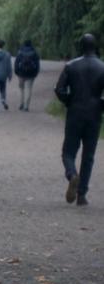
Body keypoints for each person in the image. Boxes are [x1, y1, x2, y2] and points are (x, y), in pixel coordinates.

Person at [54, 33, 104, 206]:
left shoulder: (71, 66)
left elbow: (59, 89)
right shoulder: (102, 67)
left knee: (68, 151)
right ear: (95, 47)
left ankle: (72, 174)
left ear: (81, 47)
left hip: (75, 113)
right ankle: (81, 195)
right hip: (95, 115)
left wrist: (69, 101)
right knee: (88, 155)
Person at [14, 40, 41, 111]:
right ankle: (26, 106)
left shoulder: (20, 52)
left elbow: (16, 63)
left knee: (21, 89)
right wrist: (36, 73)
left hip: (21, 73)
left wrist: (16, 72)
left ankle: (21, 104)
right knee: (28, 89)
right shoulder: (34, 52)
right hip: (31, 74)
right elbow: (37, 64)